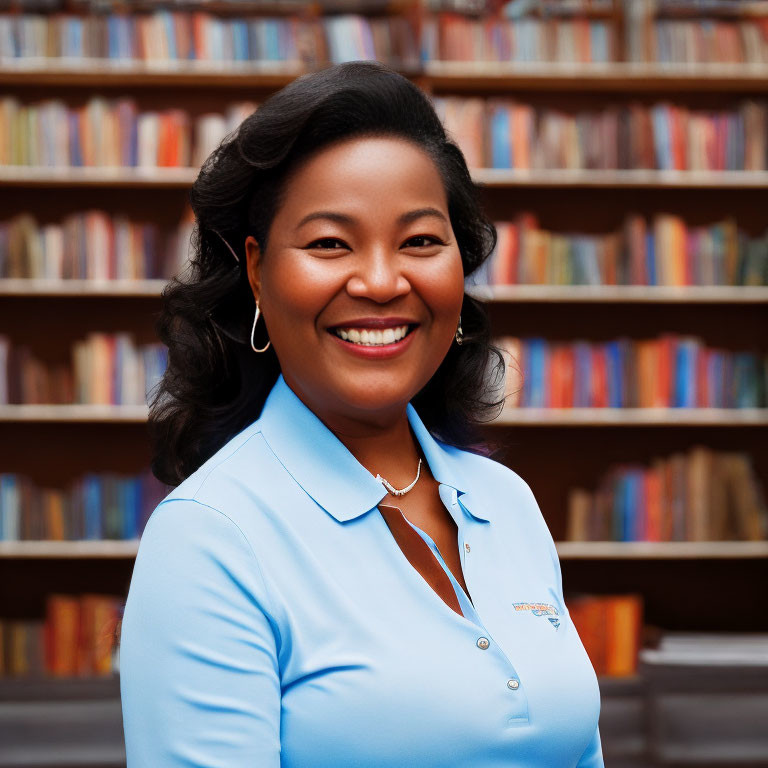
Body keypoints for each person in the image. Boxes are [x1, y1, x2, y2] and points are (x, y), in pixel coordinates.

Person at [119, 60, 604, 767]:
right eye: (329, 243)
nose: (381, 282)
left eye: (420, 241)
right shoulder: (210, 539)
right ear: (257, 270)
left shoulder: (508, 503)